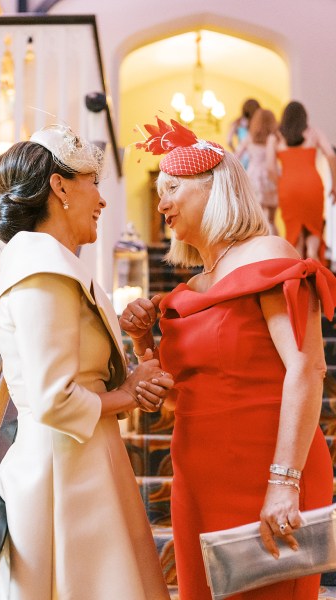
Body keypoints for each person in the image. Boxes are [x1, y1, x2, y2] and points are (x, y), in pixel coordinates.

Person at [121, 116, 336, 600]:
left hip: (270, 469)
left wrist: (284, 482)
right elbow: (178, 397)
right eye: (159, 191)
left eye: (172, 186)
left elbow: (308, 367)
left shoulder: (268, 254)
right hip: (197, 477)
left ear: (213, 187)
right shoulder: (191, 287)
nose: (162, 203)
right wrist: (141, 345)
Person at [0, 124, 173, 600]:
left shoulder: (54, 264)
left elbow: (81, 374)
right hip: (64, 475)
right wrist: (127, 394)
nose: (103, 200)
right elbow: (53, 399)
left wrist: (133, 365)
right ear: (60, 186)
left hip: (86, 456)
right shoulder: (41, 268)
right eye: (94, 182)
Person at [267, 100, 336, 262]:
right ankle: (312, 255)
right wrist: (334, 184)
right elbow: (331, 155)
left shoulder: (275, 137)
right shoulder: (314, 133)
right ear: (304, 117)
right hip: (312, 184)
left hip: (288, 186)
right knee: (314, 229)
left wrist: (280, 184)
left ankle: (298, 273)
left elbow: (270, 168)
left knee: (294, 233)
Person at [235, 108, 279, 234]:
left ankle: (262, 241)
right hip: (270, 176)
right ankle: (274, 242)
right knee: (271, 218)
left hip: (253, 175)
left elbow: (236, 156)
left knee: (258, 216)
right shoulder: (273, 138)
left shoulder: (249, 138)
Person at [226, 97, 260, 169]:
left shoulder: (238, 122)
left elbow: (228, 140)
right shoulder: (258, 123)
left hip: (241, 155)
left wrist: (235, 150)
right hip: (255, 155)